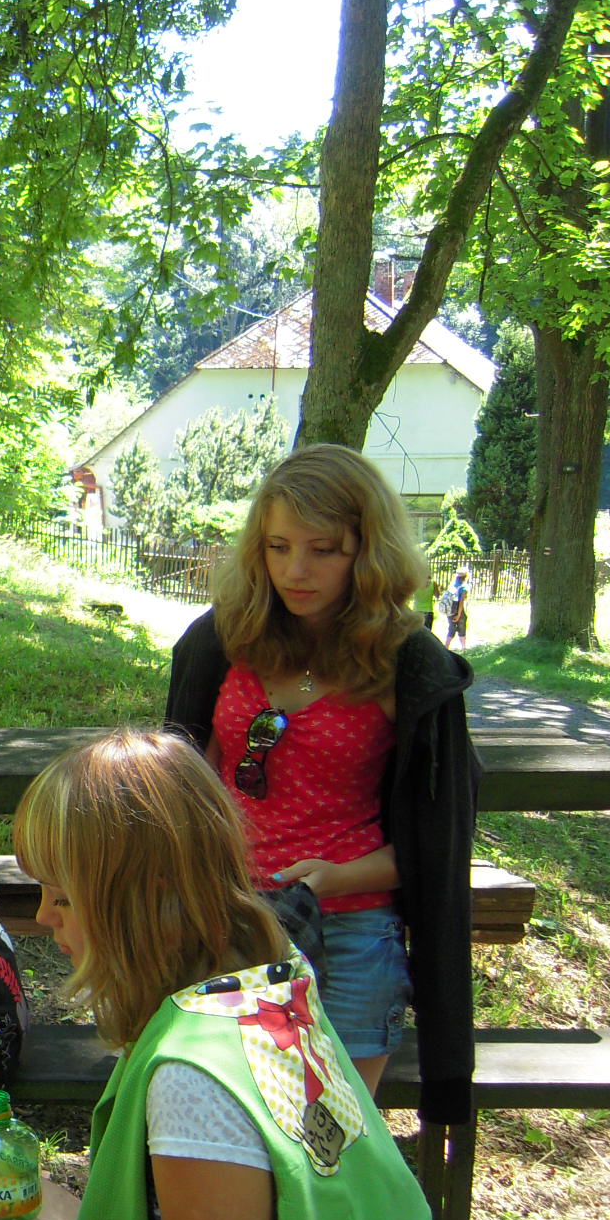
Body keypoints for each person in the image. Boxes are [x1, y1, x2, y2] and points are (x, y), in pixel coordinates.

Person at [0, 727, 444, 1220]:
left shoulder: (192, 1080)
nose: (45, 917)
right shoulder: (272, 971)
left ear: (144, 900)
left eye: (64, 897)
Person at [164, 444, 477, 1123]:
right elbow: (187, 792)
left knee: (330, 1140)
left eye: (324, 550)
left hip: (352, 935)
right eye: (278, 547)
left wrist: (333, 879)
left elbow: (437, 843)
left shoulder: (408, 664)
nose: (295, 571)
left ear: (368, 552)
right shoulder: (224, 640)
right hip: (230, 922)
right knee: (227, 1129)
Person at [443, 567, 471, 652]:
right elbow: (461, 602)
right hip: (458, 608)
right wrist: (459, 615)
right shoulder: (464, 587)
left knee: (451, 627)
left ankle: (446, 646)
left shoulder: (452, 586)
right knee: (462, 626)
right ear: (466, 577)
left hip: (449, 609)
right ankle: (463, 647)